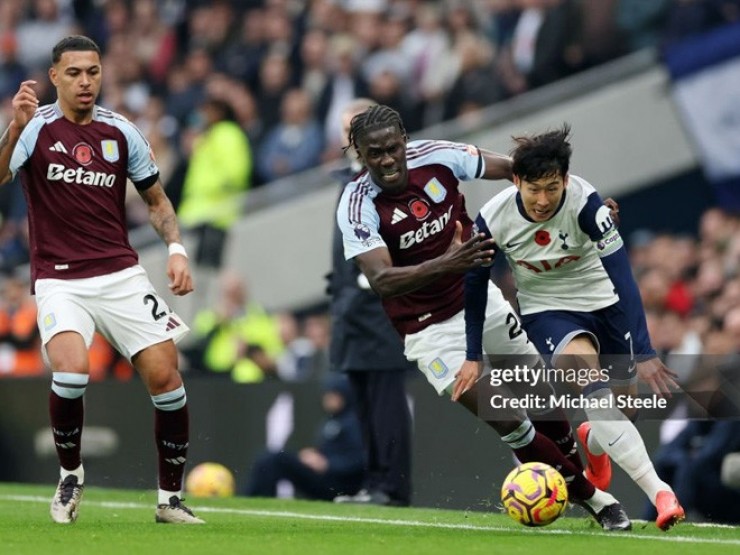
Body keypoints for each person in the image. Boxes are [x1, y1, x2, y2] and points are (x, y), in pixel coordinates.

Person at [336, 104, 630, 530]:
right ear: (359, 154)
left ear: (405, 140)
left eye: (392, 148)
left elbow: (521, 170)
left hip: (479, 302)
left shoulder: (436, 155)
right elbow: (382, 280)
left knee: (541, 396)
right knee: (507, 417)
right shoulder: (357, 203)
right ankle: (600, 502)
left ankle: (574, 480)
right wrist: (450, 261)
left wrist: (584, 208)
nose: (386, 161)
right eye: (373, 153)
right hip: (428, 330)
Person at [0, 35, 203, 524]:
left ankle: (169, 500)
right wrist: (13, 129)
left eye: (92, 71)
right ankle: (71, 475)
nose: (85, 81)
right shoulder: (34, 128)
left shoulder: (122, 132)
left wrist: (176, 250)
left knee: (167, 378)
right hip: (60, 279)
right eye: (74, 73)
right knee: (70, 372)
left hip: (121, 275)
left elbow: (157, 202)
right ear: (54, 78)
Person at [460, 123, 685, 530]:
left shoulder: (586, 204)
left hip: (605, 303)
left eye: (552, 187)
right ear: (516, 181)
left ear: (565, 179)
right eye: (534, 189)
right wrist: (473, 354)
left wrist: (646, 351)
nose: (543, 199)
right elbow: (474, 287)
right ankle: (661, 493)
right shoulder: (493, 220)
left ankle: (591, 440)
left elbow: (623, 277)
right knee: (589, 381)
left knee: (623, 411)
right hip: (548, 310)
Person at [328, 98, 415, 507]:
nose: (350, 138)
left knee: (385, 401)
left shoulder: (389, 182)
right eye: (347, 130)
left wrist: (366, 286)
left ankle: (392, 487)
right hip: (351, 311)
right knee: (363, 402)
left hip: (381, 310)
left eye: (355, 129)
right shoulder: (348, 182)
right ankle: (374, 481)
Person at [244, 374, 364, 500]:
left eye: (333, 395)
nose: (328, 399)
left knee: (277, 460)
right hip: (324, 475)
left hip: (340, 483)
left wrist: (328, 464)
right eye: (327, 394)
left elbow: (360, 459)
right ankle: (254, 497)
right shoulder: (332, 420)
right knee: (270, 458)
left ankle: (257, 499)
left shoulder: (355, 422)